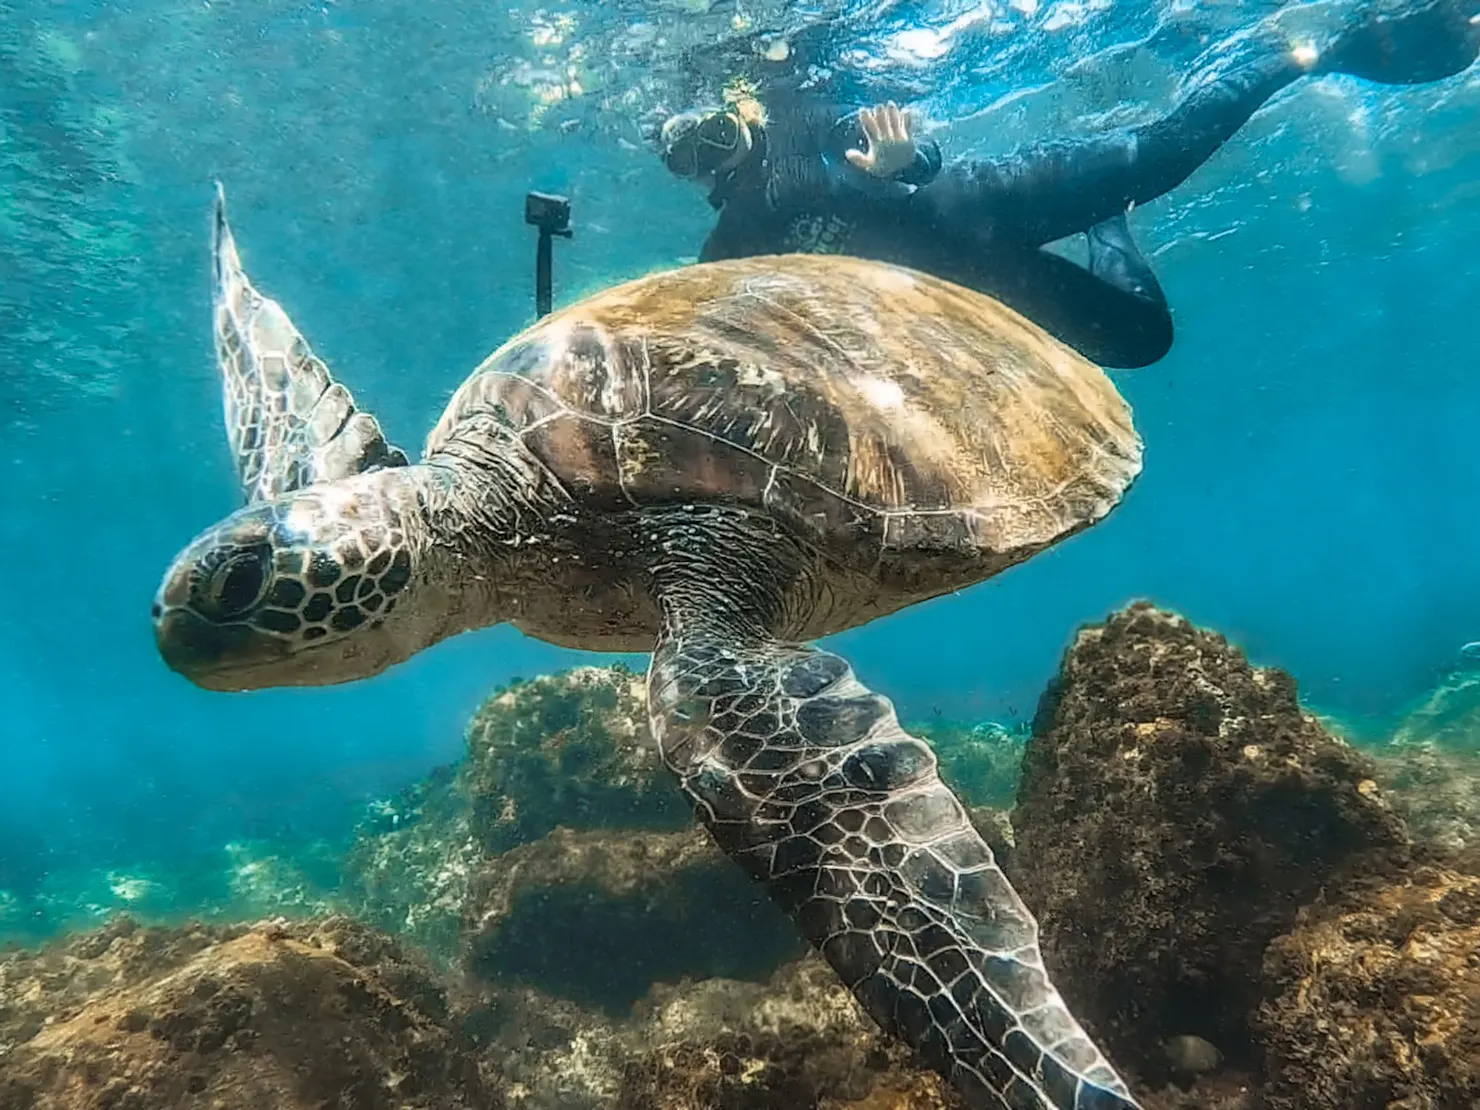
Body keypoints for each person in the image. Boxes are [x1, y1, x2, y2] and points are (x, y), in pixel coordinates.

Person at [657, 0, 1480, 368]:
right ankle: (1112, 227)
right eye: (691, 154)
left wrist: (908, 167)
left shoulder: (797, 116)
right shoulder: (730, 243)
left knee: (1167, 151)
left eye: (714, 132)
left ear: (741, 113)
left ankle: (1308, 48)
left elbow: (912, 155)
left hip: (996, 196)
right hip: (981, 284)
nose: (713, 153)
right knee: (1141, 344)